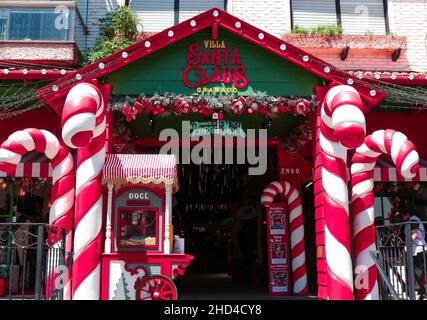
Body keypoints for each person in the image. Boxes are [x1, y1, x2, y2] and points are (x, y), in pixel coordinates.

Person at [402, 210, 427, 299]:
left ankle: (423, 291)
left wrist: (407, 246)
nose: (403, 219)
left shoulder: (413, 220)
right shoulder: (416, 219)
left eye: (403, 217)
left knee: (417, 271)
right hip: (420, 247)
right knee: (419, 270)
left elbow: (414, 234)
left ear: (407, 214)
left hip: (417, 249)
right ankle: (422, 290)